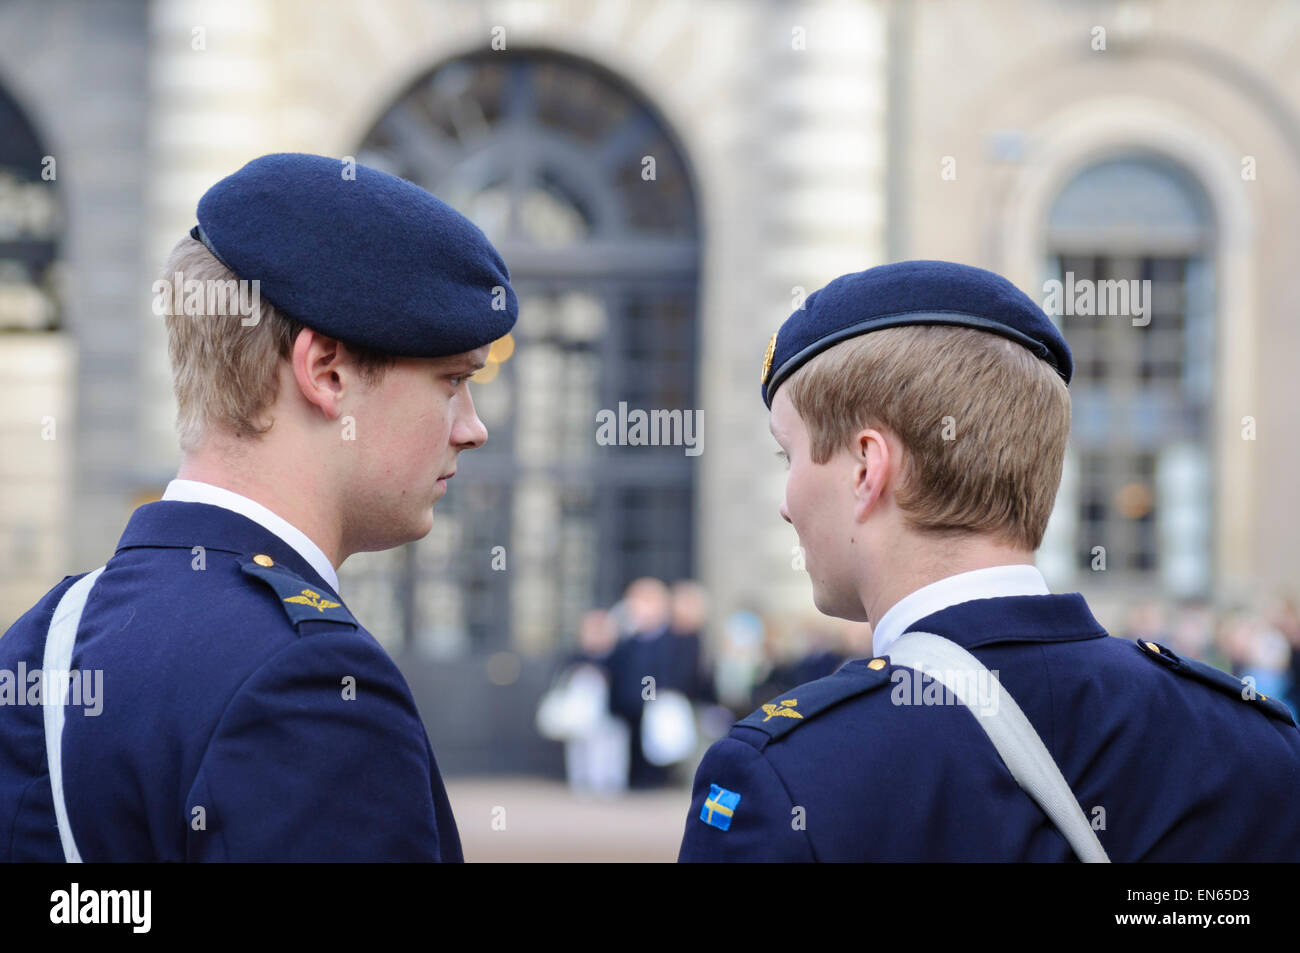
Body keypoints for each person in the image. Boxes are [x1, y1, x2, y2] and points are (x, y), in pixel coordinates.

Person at [678, 259, 1300, 862]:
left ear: (868, 468)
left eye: (789, 456)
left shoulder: (784, 775)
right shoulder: (1255, 742)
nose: (786, 506)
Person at [0, 152, 517, 861]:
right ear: (326, 372)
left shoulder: (45, 638)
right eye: (452, 380)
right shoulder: (311, 685)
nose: (473, 425)